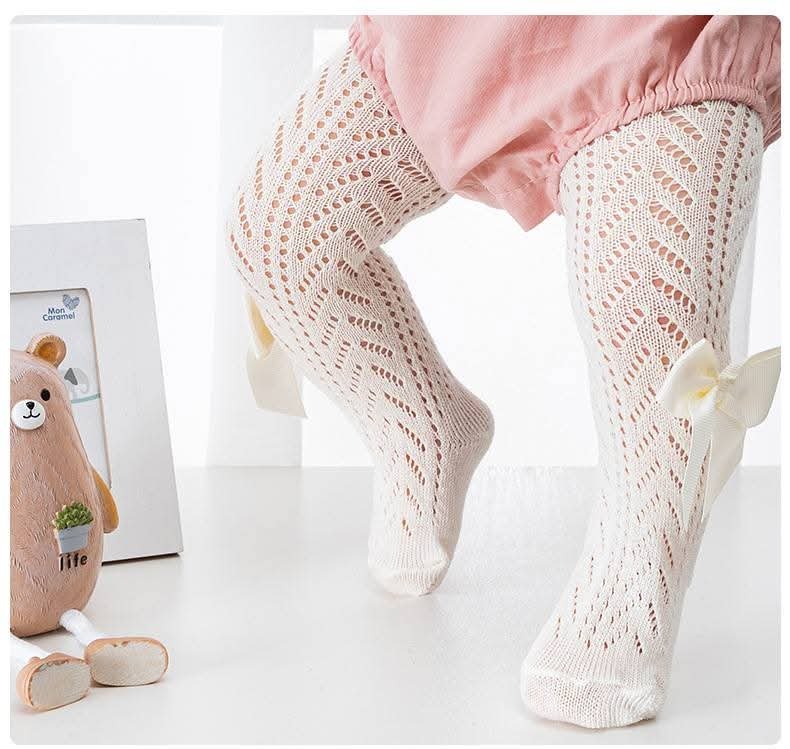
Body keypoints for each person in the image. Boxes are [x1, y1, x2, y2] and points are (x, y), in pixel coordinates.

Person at [226, 15, 781, 728]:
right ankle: (424, 427)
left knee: (650, 313)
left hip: (655, 34)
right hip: (454, 28)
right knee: (279, 230)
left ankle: (637, 563)